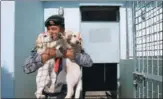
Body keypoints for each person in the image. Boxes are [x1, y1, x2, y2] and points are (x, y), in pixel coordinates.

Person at [24, 14, 93, 98]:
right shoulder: (43, 45)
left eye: (54, 29)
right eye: (48, 29)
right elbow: (27, 68)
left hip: (67, 93)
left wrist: (72, 55)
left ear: (62, 30)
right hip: (48, 95)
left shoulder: (71, 44)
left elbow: (89, 62)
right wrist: (44, 57)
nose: (50, 31)